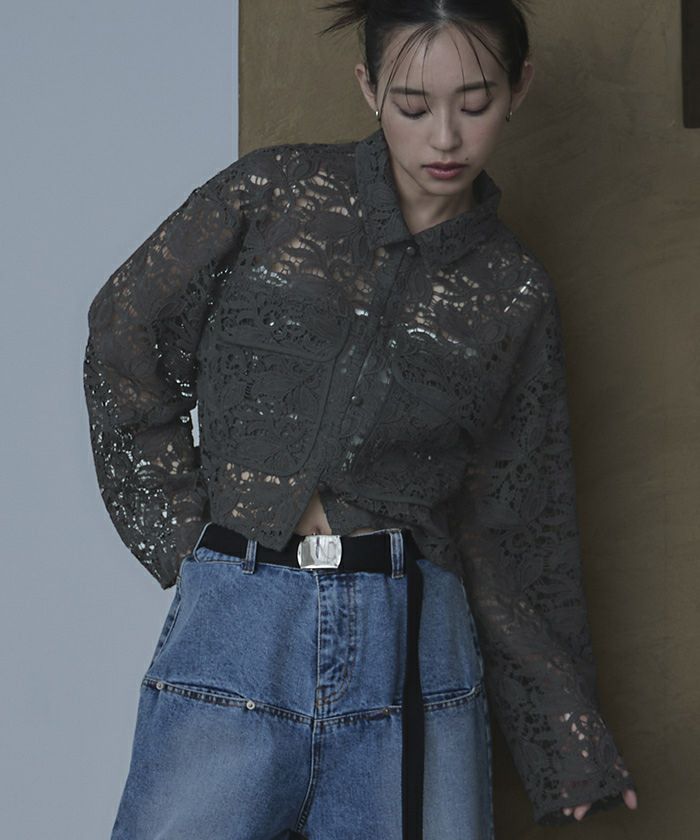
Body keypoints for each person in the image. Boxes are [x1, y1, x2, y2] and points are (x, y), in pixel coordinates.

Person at [82, 1, 639, 837]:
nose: (445, 137)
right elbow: (124, 337)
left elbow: (517, 528)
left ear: (520, 88)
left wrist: (568, 744)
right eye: (413, 105)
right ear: (369, 87)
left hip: (415, 645)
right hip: (241, 624)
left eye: (476, 103)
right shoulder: (270, 195)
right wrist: (193, 546)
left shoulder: (515, 293)